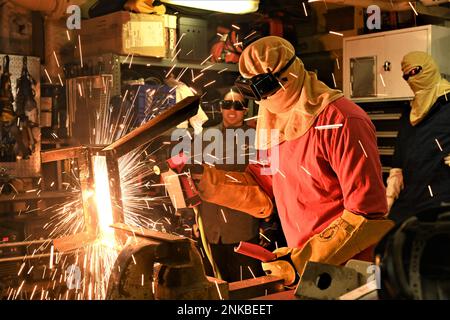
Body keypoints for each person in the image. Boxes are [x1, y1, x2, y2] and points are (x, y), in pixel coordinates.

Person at [197, 36, 394, 278]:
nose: (262, 101)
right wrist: (206, 183)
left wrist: (305, 259)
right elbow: (263, 191)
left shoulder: (341, 120)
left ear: (286, 77)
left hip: (351, 269)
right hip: (304, 262)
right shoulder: (272, 120)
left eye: (263, 89)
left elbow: (367, 215)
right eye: (251, 92)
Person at [194, 88, 266, 282]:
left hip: (242, 226)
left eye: (238, 106)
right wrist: (193, 218)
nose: (232, 110)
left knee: (244, 286)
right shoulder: (206, 136)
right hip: (210, 227)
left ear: (245, 110)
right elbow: (193, 176)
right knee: (215, 285)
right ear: (220, 108)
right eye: (227, 105)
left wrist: (267, 224)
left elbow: (267, 180)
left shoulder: (256, 138)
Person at [386, 51, 450, 224]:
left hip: (442, 202)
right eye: (406, 76)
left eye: (415, 72)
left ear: (429, 68)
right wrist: (390, 196)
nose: (411, 79)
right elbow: (398, 161)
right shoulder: (409, 111)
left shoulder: (447, 103)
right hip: (410, 201)